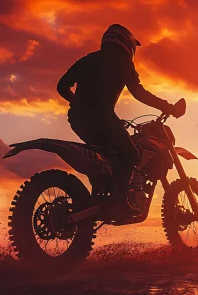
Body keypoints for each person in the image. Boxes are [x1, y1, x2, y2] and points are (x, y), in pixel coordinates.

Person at [57, 24, 184, 216]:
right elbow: (140, 93)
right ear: (127, 43)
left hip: (77, 119)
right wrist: (168, 108)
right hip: (103, 118)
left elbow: (61, 86)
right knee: (132, 155)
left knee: (107, 155)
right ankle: (119, 202)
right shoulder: (123, 63)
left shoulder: (88, 59)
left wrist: (77, 103)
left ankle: (102, 195)